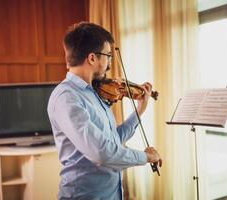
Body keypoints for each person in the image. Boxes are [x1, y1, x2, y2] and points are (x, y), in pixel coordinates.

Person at [47, 22, 162, 200]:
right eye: (108, 56)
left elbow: (112, 140)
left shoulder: (94, 93)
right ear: (92, 58)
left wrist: (140, 111)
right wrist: (145, 157)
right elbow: (102, 152)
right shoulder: (66, 98)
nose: (109, 64)